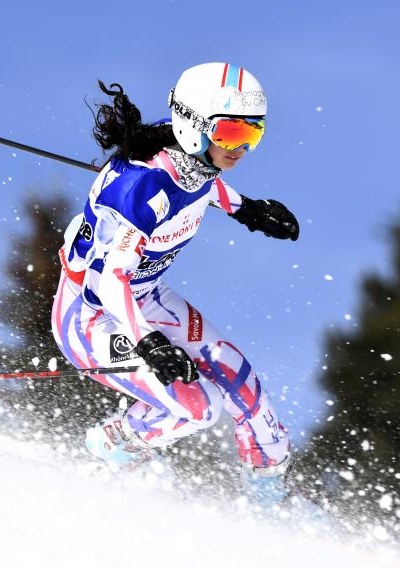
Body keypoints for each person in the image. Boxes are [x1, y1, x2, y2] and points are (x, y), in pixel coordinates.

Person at [51, 62, 299, 506]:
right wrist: (147, 344)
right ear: (196, 125)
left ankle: (273, 498)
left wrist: (247, 209)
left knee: (242, 382)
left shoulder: (187, 146)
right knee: (199, 407)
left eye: (251, 135)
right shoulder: (144, 189)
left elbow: (200, 183)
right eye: (229, 134)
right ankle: (111, 447)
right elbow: (111, 280)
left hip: (145, 297)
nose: (239, 148)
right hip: (93, 317)